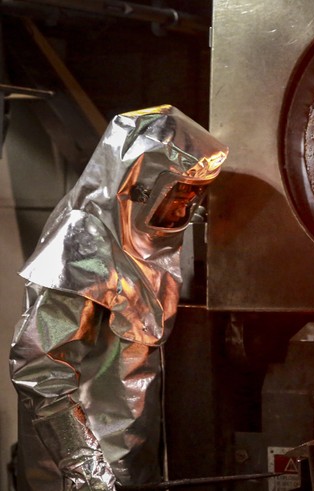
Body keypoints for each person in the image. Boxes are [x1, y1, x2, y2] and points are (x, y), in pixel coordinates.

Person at [9, 105, 227, 490]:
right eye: (178, 195)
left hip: (129, 463)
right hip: (86, 474)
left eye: (193, 196)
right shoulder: (82, 242)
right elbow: (39, 371)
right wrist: (83, 466)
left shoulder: (150, 244)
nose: (185, 208)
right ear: (139, 184)